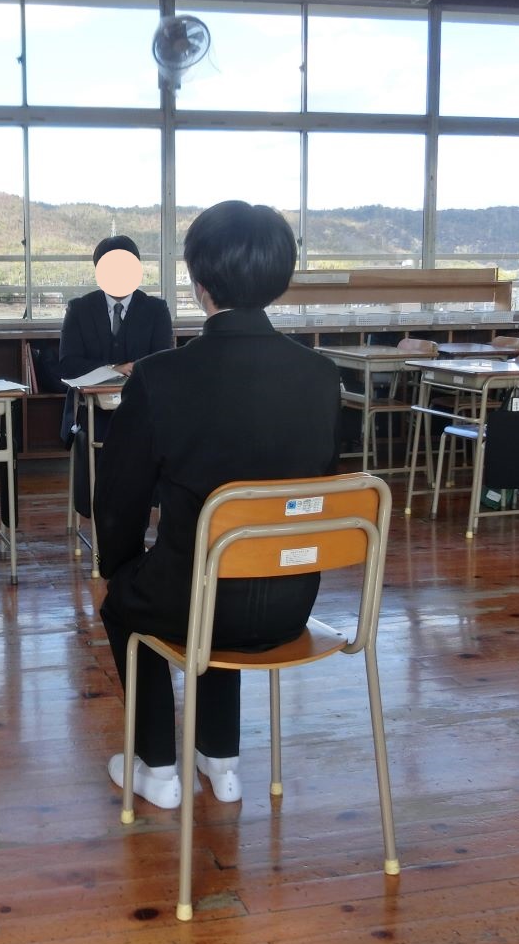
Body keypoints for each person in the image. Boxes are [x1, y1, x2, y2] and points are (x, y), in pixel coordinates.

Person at [95, 200, 340, 809]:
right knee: (233, 562)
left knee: (131, 601)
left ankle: (156, 767)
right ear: (280, 278)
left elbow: (120, 499)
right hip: (291, 603)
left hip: (191, 601)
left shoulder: (159, 376)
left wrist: (118, 568)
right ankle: (220, 757)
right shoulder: (321, 376)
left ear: (198, 282)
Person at [57, 236, 175, 517]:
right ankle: (101, 512)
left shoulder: (155, 309)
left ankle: (137, 513)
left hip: (141, 407)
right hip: (92, 411)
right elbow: (68, 365)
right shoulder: (79, 309)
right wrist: (112, 368)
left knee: (150, 439)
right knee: (100, 439)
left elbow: (163, 361)